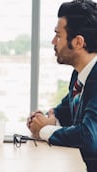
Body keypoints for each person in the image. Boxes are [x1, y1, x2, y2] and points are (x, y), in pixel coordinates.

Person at [27, 0, 97, 171]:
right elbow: (65, 111)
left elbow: (88, 137)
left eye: (58, 35)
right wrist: (49, 119)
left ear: (78, 42)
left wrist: (44, 129)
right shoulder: (80, 74)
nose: (53, 41)